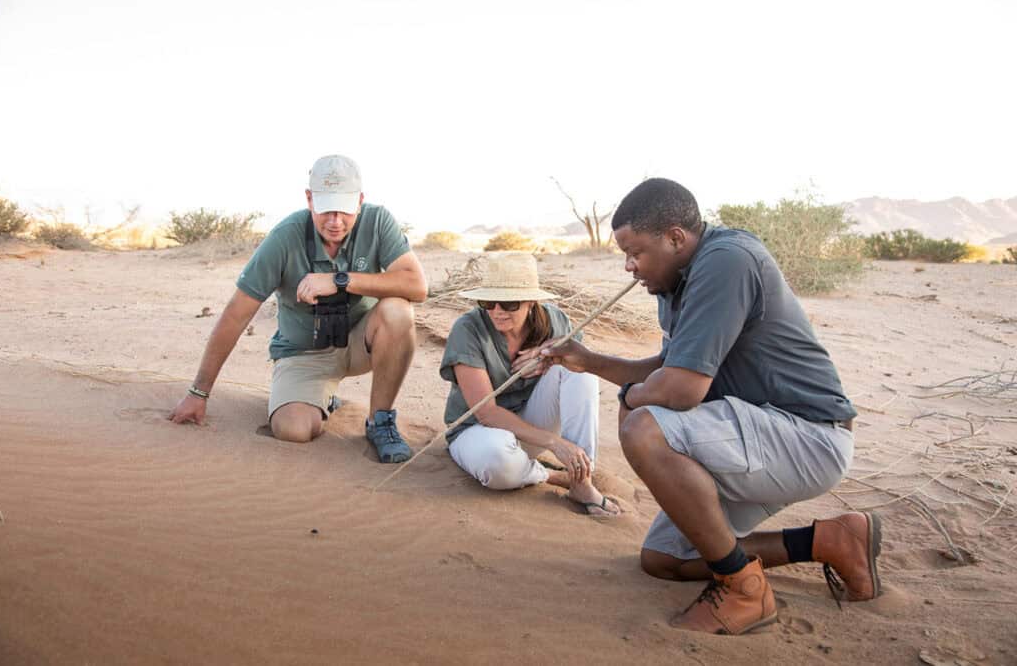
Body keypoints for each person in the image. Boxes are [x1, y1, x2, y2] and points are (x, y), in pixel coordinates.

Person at [542, 178, 878, 634]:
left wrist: (631, 398)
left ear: (676, 238)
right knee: (666, 560)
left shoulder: (727, 261)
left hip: (807, 436)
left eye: (635, 252)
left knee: (643, 427)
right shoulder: (678, 280)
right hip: (756, 436)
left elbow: (681, 390)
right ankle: (830, 540)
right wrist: (589, 361)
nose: (629, 267)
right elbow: (669, 367)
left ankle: (743, 588)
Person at [169, 154, 426, 463]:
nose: (335, 221)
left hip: (361, 343)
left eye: (344, 209)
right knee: (292, 430)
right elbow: (236, 315)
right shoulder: (284, 237)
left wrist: (339, 280)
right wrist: (199, 392)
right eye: (325, 208)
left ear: (359, 201)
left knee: (398, 311)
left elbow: (417, 286)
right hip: (304, 354)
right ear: (309, 199)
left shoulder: (378, 221)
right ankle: (323, 399)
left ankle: (380, 421)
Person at [439, 252, 620, 517]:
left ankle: (581, 480)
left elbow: (582, 360)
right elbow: (485, 412)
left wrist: (547, 358)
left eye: (509, 304)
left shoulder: (555, 321)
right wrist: (555, 443)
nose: (497, 312)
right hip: (477, 431)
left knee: (580, 372)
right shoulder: (467, 329)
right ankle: (548, 474)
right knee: (497, 464)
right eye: (488, 302)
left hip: (530, 425)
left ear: (531, 302)